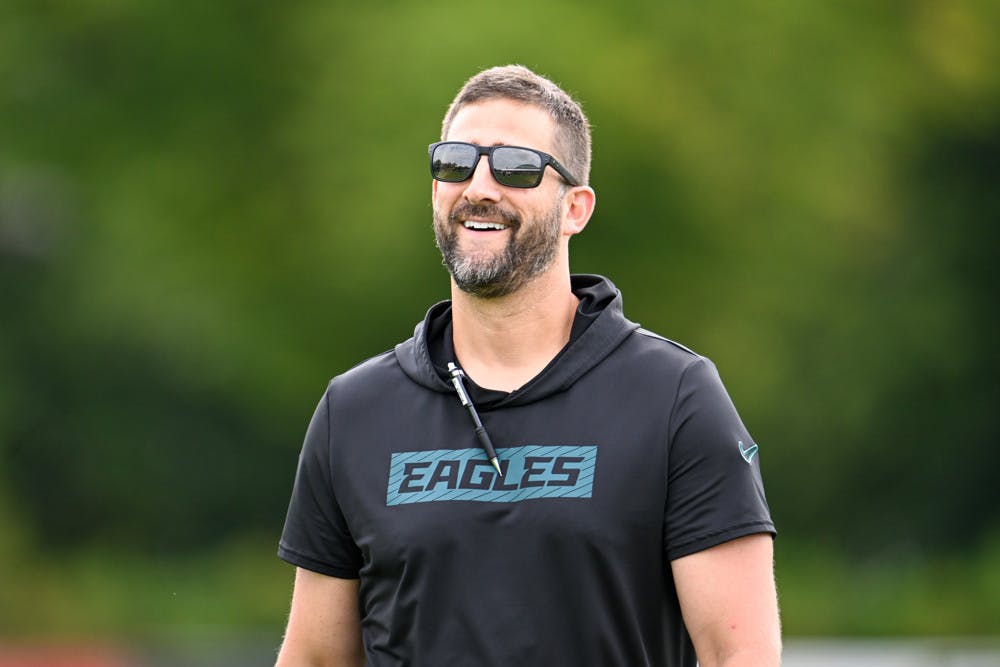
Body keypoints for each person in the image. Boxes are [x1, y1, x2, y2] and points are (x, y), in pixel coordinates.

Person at [275, 64, 781, 667]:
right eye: (455, 163)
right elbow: (316, 659)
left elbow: (740, 653)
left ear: (576, 208)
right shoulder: (354, 411)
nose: (479, 188)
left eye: (515, 167)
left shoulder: (674, 397)